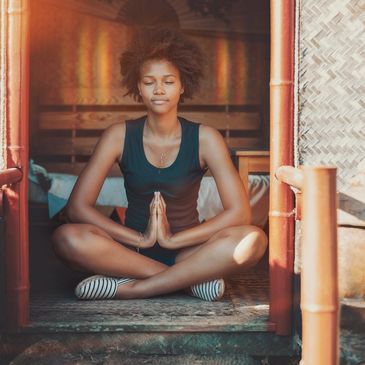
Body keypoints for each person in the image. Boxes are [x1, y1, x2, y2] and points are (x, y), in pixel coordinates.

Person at [52, 28, 268, 302]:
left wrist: (172, 240)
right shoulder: (118, 136)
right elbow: (77, 208)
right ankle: (188, 281)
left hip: (189, 250)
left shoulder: (206, 138)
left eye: (168, 81)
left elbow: (239, 214)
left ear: (182, 86)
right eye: (149, 82)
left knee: (253, 240)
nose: (159, 90)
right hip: (130, 252)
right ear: (138, 87)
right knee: (66, 238)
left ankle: (133, 287)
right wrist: (141, 239)